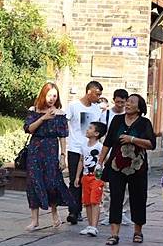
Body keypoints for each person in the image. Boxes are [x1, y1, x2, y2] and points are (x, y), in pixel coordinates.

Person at [97, 94, 156, 246]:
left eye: (131, 102)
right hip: (117, 166)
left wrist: (132, 139)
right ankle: (114, 234)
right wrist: (100, 161)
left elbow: (151, 144)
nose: (128, 104)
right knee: (115, 198)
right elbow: (108, 142)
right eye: (127, 101)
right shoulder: (117, 120)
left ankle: (138, 231)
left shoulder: (144, 123)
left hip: (138, 167)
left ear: (139, 107)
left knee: (138, 198)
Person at [23, 82, 74, 231]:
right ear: (43, 94)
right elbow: (29, 129)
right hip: (35, 150)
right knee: (33, 182)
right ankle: (34, 220)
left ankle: (55, 214)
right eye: (49, 95)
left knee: (52, 183)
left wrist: (63, 156)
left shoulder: (60, 114)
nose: (51, 98)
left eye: (54, 95)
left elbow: (63, 136)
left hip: (51, 151)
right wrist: (43, 118)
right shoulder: (34, 110)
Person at [66, 81, 103, 224]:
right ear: (89, 92)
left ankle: (87, 208)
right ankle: (74, 211)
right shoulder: (74, 106)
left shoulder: (97, 109)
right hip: (75, 148)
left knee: (91, 180)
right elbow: (65, 121)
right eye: (97, 94)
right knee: (75, 181)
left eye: (100, 94)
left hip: (91, 150)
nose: (98, 97)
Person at [99, 88, 132, 226]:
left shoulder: (129, 115)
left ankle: (123, 212)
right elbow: (102, 136)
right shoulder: (106, 115)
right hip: (110, 154)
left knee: (126, 186)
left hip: (125, 154)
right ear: (114, 100)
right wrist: (103, 156)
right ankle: (108, 213)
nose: (120, 105)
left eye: (122, 102)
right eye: (117, 102)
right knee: (107, 187)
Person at [75, 121, 108, 237]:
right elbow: (81, 160)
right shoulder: (83, 146)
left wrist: (103, 175)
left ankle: (94, 226)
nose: (87, 130)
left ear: (97, 133)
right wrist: (77, 177)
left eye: (90, 128)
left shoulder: (100, 147)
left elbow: (105, 160)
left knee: (95, 201)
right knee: (87, 202)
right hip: (85, 176)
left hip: (97, 177)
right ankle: (89, 225)